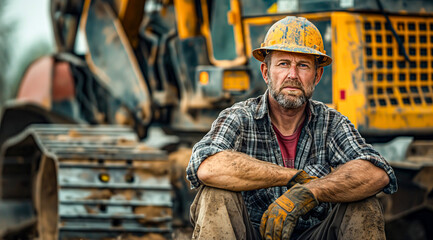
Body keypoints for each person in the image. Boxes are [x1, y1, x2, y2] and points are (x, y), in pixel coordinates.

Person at [186, 16, 397, 240]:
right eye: (283, 64)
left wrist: (311, 191)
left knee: (364, 203)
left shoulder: (332, 123)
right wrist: (293, 177)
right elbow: (207, 166)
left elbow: (377, 173)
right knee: (215, 194)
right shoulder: (239, 117)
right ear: (266, 73)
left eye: (303, 65)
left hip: (313, 235)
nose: (293, 75)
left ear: (317, 76)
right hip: (250, 234)